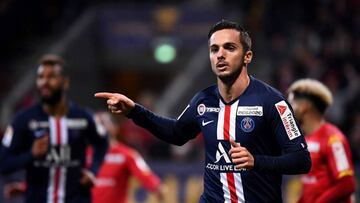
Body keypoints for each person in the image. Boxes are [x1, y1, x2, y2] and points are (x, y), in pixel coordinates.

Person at [95, 20, 311, 202]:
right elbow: (176, 133)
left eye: (230, 48)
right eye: (214, 49)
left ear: (248, 57)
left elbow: (301, 160)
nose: (220, 55)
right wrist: (134, 111)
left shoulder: (273, 102)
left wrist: (257, 160)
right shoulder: (203, 100)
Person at [0, 54, 108, 203]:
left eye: (51, 77)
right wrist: (30, 154)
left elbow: (102, 142)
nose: (44, 82)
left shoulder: (84, 117)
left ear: (65, 82)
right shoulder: (23, 120)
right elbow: (4, 164)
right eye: (40, 77)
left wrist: (93, 171)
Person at [287, 79, 356, 203]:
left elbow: (347, 184)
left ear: (304, 107)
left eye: (291, 104)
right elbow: (310, 188)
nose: (288, 110)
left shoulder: (333, 139)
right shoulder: (305, 140)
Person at [90, 111, 165, 203]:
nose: (99, 127)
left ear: (115, 127)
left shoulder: (128, 155)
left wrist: (158, 190)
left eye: (103, 122)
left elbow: (155, 185)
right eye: (96, 123)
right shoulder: (82, 154)